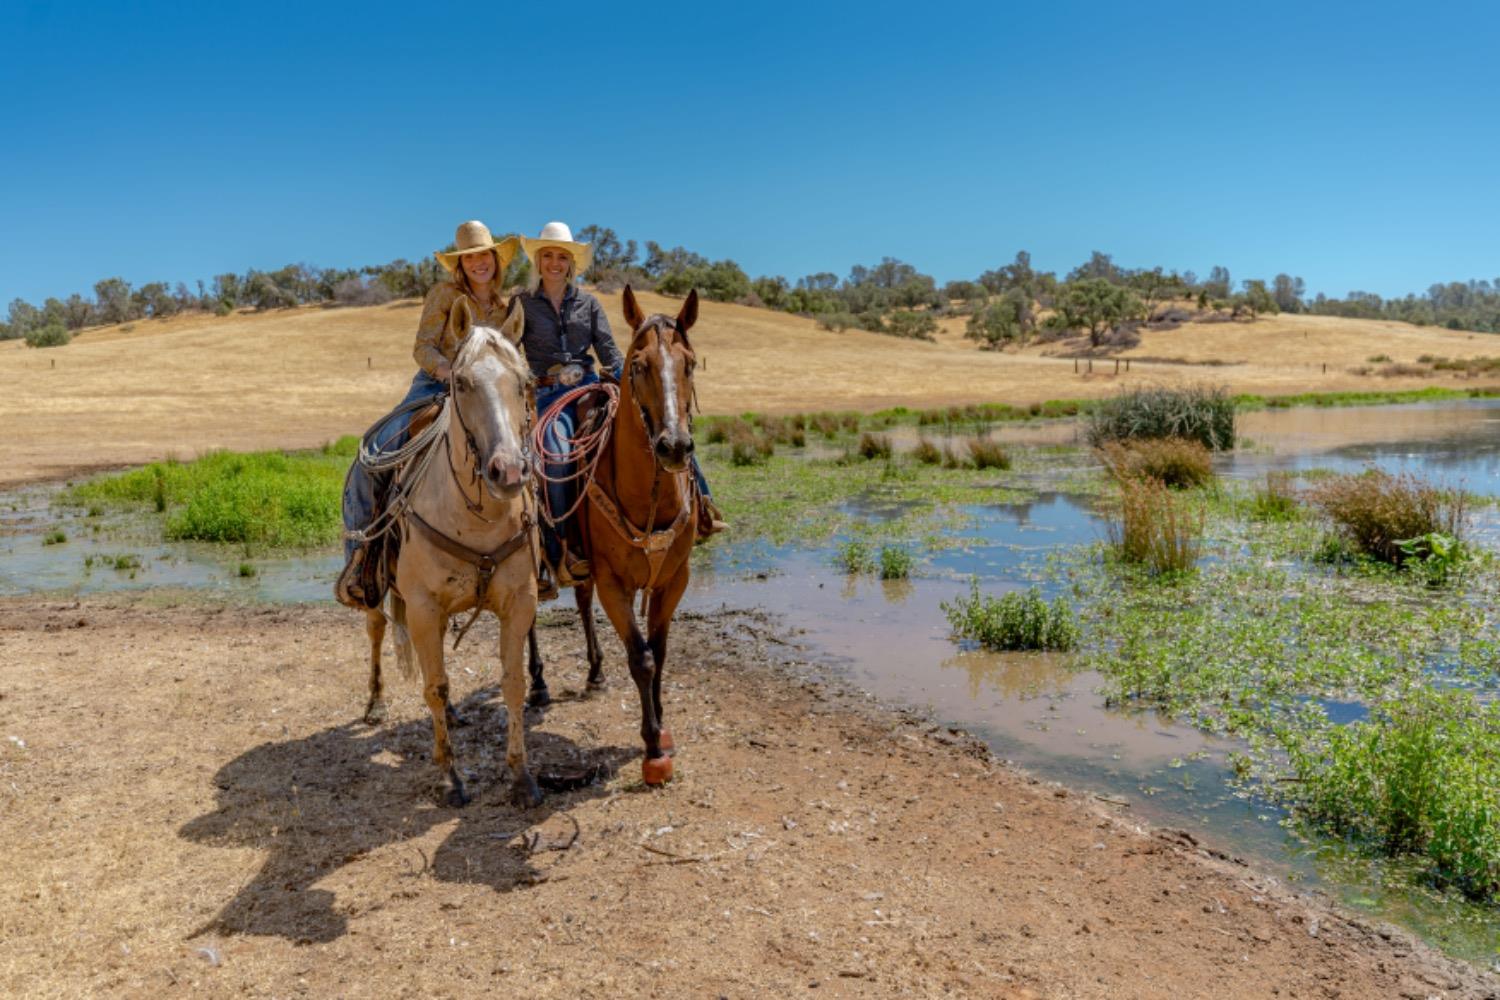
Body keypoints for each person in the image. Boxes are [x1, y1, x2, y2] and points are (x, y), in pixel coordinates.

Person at [519, 221, 726, 597]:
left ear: (571, 263)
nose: (554, 263)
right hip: (550, 397)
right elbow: (510, 348)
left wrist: (625, 380)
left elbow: (611, 353)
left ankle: (703, 509)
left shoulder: (588, 303)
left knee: (662, 429)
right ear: (538, 261)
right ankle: (563, 548)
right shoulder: (523, 304)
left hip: (589, 388)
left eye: (561, 257)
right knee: (555, 453)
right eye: (547, 256)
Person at [335, 220, 521, 609]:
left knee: (526, 452)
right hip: (436, 386)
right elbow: (423, 347)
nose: (478, 263)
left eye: (483, 255)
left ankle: (541, 552)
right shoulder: (443, 294)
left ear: (494, 260)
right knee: (375, 451)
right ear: (461, 263)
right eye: (469, 257)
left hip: (484, 397)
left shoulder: (506, 308)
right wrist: (448, 373)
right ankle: (361, 556)